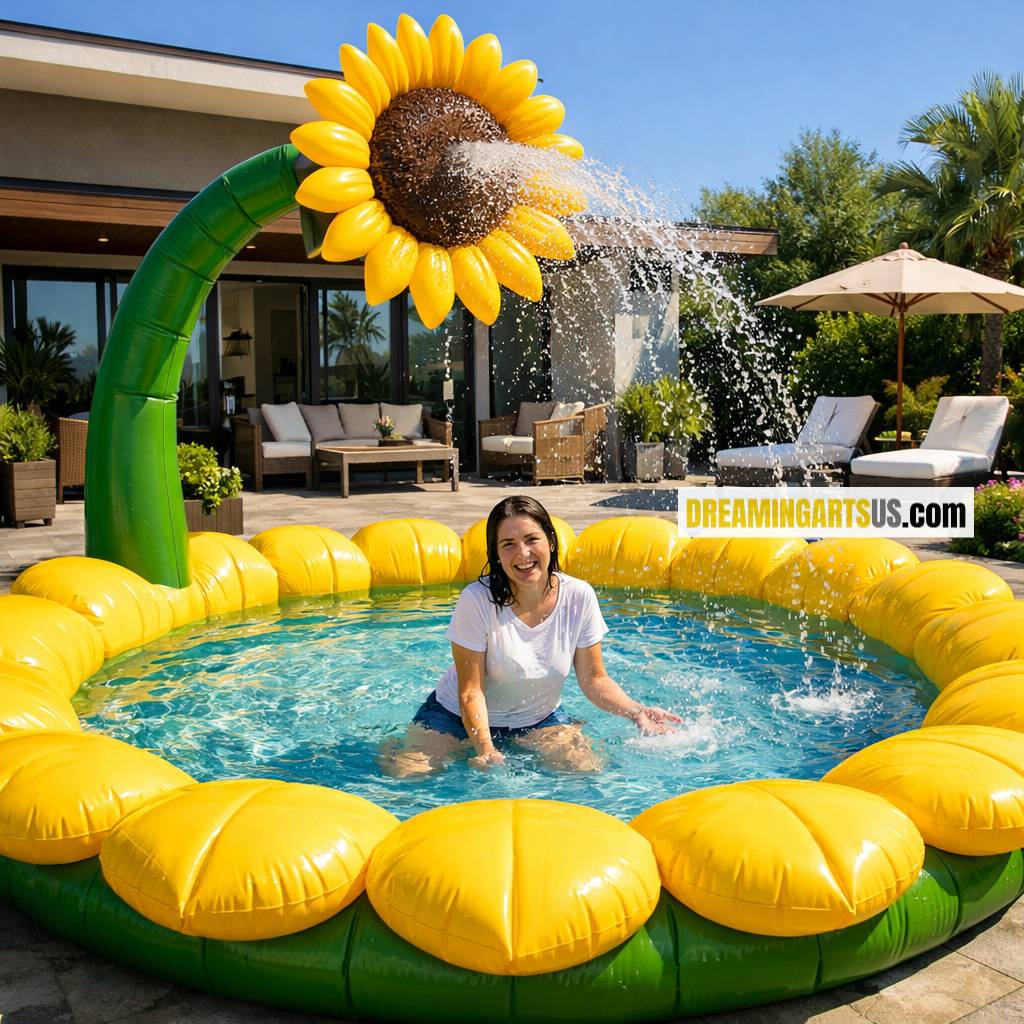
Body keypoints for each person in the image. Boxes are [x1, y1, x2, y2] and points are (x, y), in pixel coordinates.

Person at [383, 496, 681, 777]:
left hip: (539, 720)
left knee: (585, 771)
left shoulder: (578, 596)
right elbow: (470, 691)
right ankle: (395, 747)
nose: (523, 553)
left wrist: (636, 712)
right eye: (508, 544)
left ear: (550, 540)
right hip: (454, 719)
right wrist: (486, 749)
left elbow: (595, 679)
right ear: (496, 554)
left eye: (531, 539)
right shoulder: (476, 600)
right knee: (407, 774)